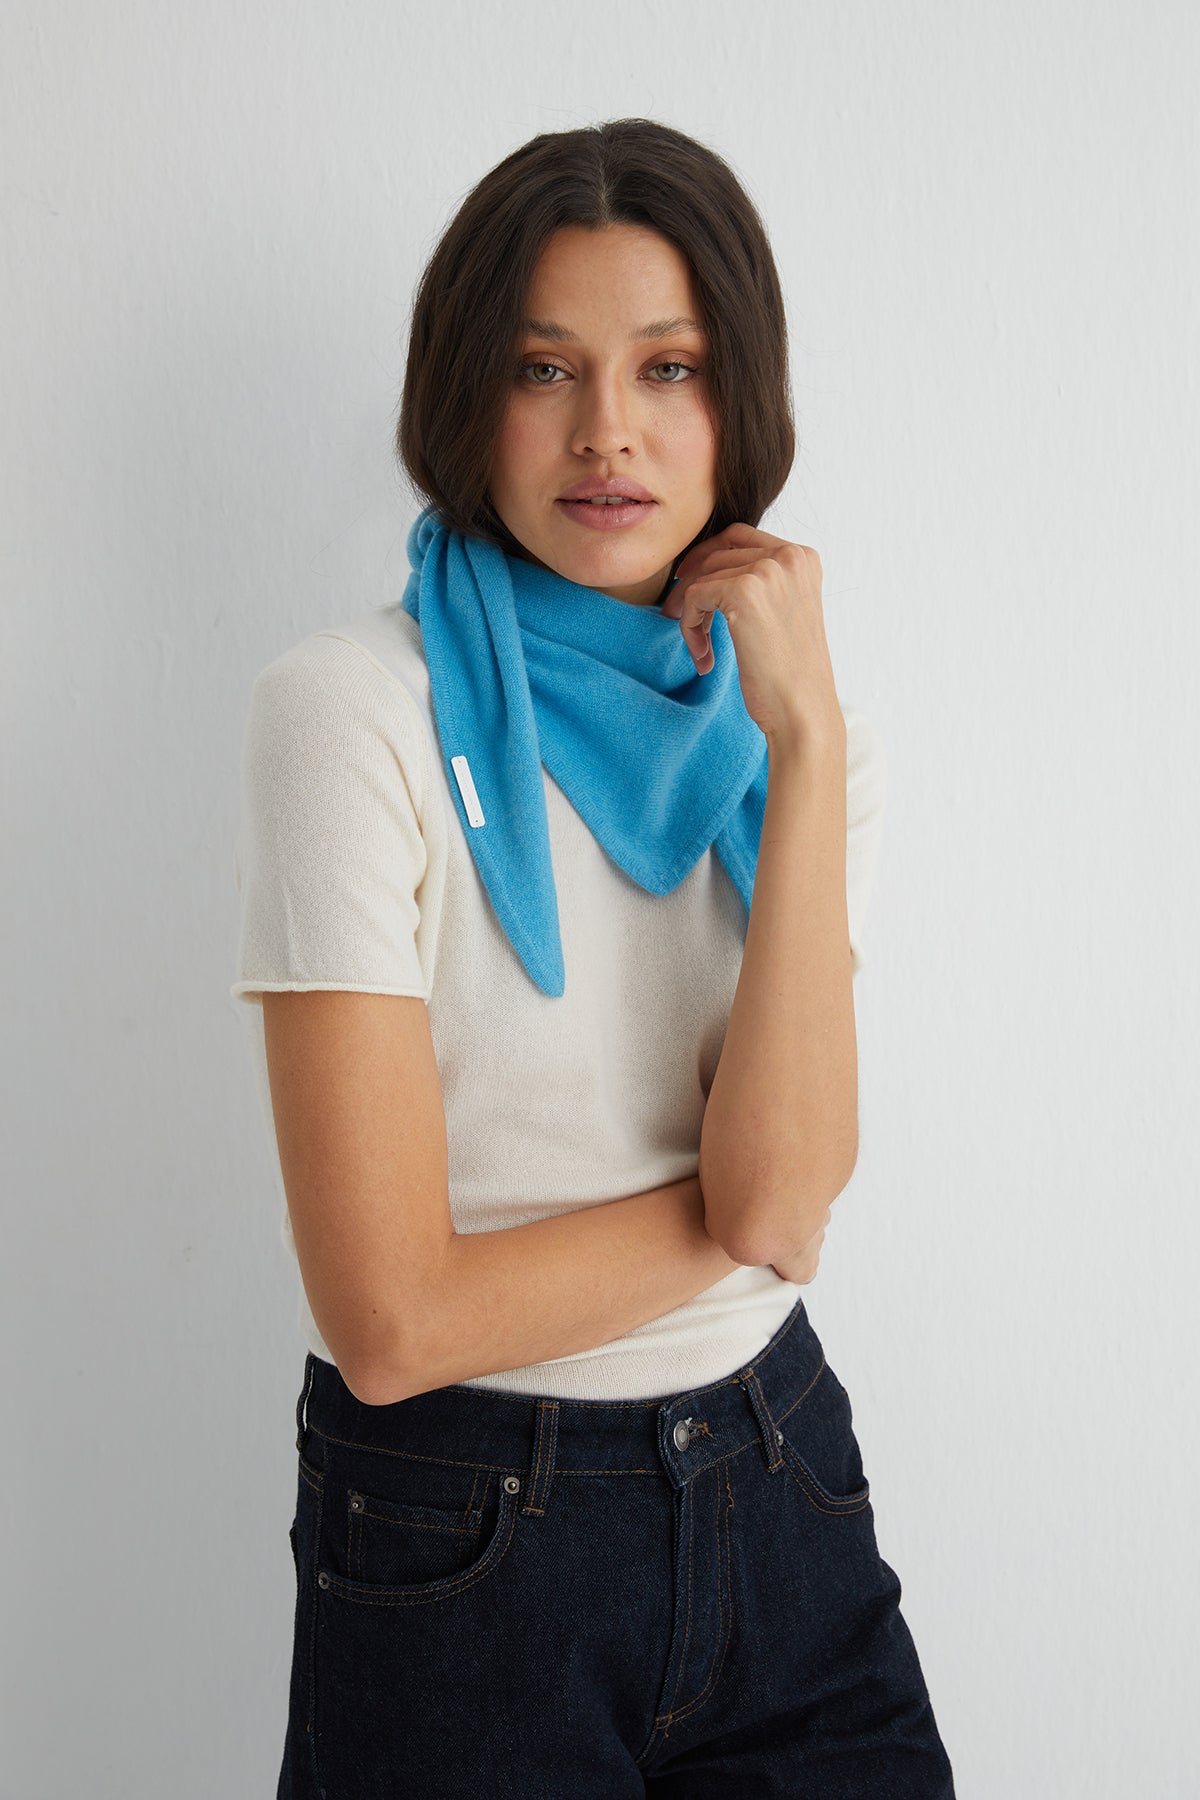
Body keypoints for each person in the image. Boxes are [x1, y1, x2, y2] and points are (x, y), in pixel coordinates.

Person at [230, 117, 956, 1797]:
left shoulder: (800, 745)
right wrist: (742, 1216)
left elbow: (789, 1187)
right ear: (464, 395)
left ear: (739, 401)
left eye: (669, 368)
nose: (607, 431)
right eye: (543, 367)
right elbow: (395, 1320)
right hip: (464, 1530)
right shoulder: (351, 716)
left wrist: (808, 749)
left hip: (782, 1476)